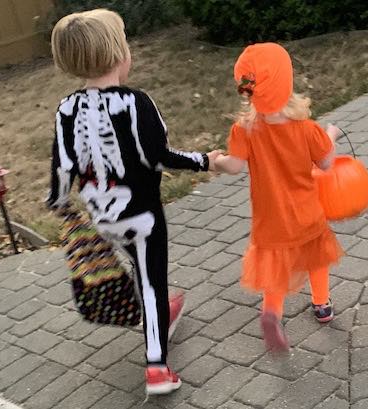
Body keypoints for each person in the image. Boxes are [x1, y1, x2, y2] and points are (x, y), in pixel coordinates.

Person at [46, 9, 219, 395]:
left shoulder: (66, 110)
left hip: (101, 218)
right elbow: (158, 155)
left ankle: (160, 317)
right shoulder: (135, 102)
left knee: (139, 271)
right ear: (120, 53)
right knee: (152, 279)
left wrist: (57, 202)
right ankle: (157, 366)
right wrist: (206, 160)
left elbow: (63, 167)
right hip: (142, 216)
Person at [212, 43, 343, 352]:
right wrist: (331, 135)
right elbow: (326, 163)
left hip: (270, 219)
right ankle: (322, 305)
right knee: (317, 257)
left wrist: (215, 161)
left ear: (247, 87)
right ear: (287, 82)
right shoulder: (307, 129)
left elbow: (233, 166)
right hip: (307, 213)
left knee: (275, 268)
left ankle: (272, 313)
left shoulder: (244, 130)